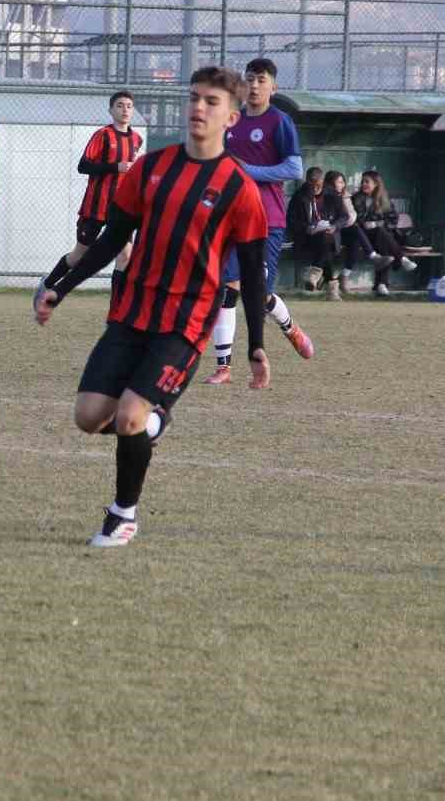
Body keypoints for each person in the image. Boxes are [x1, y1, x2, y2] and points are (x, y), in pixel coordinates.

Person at [33, 65, 271, 548]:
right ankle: (156, 421)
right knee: (88, 416)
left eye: (211, 102)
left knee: (128, 416)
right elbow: (111, 240)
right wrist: (63, 286)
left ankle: (123, 515)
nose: (198, 108)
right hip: (131, 314)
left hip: (184, 324)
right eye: (194, 98)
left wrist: (256, 347)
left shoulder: (239, 188)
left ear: (231, 117)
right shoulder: (151, 167)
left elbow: (249, 275)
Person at [207, 57, 313, 384]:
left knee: (259, 295)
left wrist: (249, 171)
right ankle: (223, 366)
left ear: (273, 86)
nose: (254, 86)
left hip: (267, 219)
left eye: (261, 80)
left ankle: (289, 327)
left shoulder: (279, 122)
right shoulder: (231, 121)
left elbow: (294, 169)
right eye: (250, 79)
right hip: (231, 218)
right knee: (226, 288)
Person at [34, 91, 143, 315]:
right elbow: (83, 166)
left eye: (129, 106)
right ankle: (47, 285)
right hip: (95, 207)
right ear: (111, 110)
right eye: (120, 105)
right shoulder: (102, 135)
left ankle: (117, 308)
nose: (125, 110)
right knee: (79, 255)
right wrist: (116, 167)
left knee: (125, 255)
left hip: (121, 210)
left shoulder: (136, 139)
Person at [352, 168, 416, 297]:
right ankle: (401, 259)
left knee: (382, 237)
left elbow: (393, 220)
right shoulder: (356, 198)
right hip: (363, 236)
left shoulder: (384, 199)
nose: (363, 184)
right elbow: (356, 218)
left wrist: (377, 223)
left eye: (367, 182)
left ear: (376, 184)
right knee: (383, 236)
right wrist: (368, 223)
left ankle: (381, 284)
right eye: (362, 181)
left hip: (381, 234)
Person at [287, 165, 343, 299]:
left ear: (322, 181)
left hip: (329, 233)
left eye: (317, 185)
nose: (314, 189)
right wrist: (307, 228)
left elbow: (343, 216)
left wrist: (334, 226)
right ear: (307, 181)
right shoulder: (299, 195)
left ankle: (315, 274)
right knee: (326, 246)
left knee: (326, 239)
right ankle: (332, 290)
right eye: (311, 185)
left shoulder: (332, 194)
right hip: (307, 237)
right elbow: (291, 219)